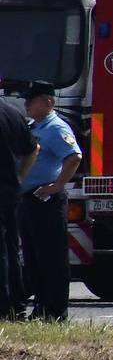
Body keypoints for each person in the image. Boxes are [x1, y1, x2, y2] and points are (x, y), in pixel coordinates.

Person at [20, 83, 80, 321]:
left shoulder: (56, 127)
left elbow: (74, 157)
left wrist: (57, 185)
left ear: (48, 102)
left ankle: (55, 311)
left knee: (51, 257)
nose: (26, 104)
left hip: (47, 199)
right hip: (30, 198)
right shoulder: (34, 127)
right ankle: (42, 308)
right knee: (34, 257)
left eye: (31, 100)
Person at [0, 92, 35, 318]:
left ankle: (3, 306)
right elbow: (32, 149)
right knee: (12, 247)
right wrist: (20, 177)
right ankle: (16, 305)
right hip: (11, 191)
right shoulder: (14, 112)